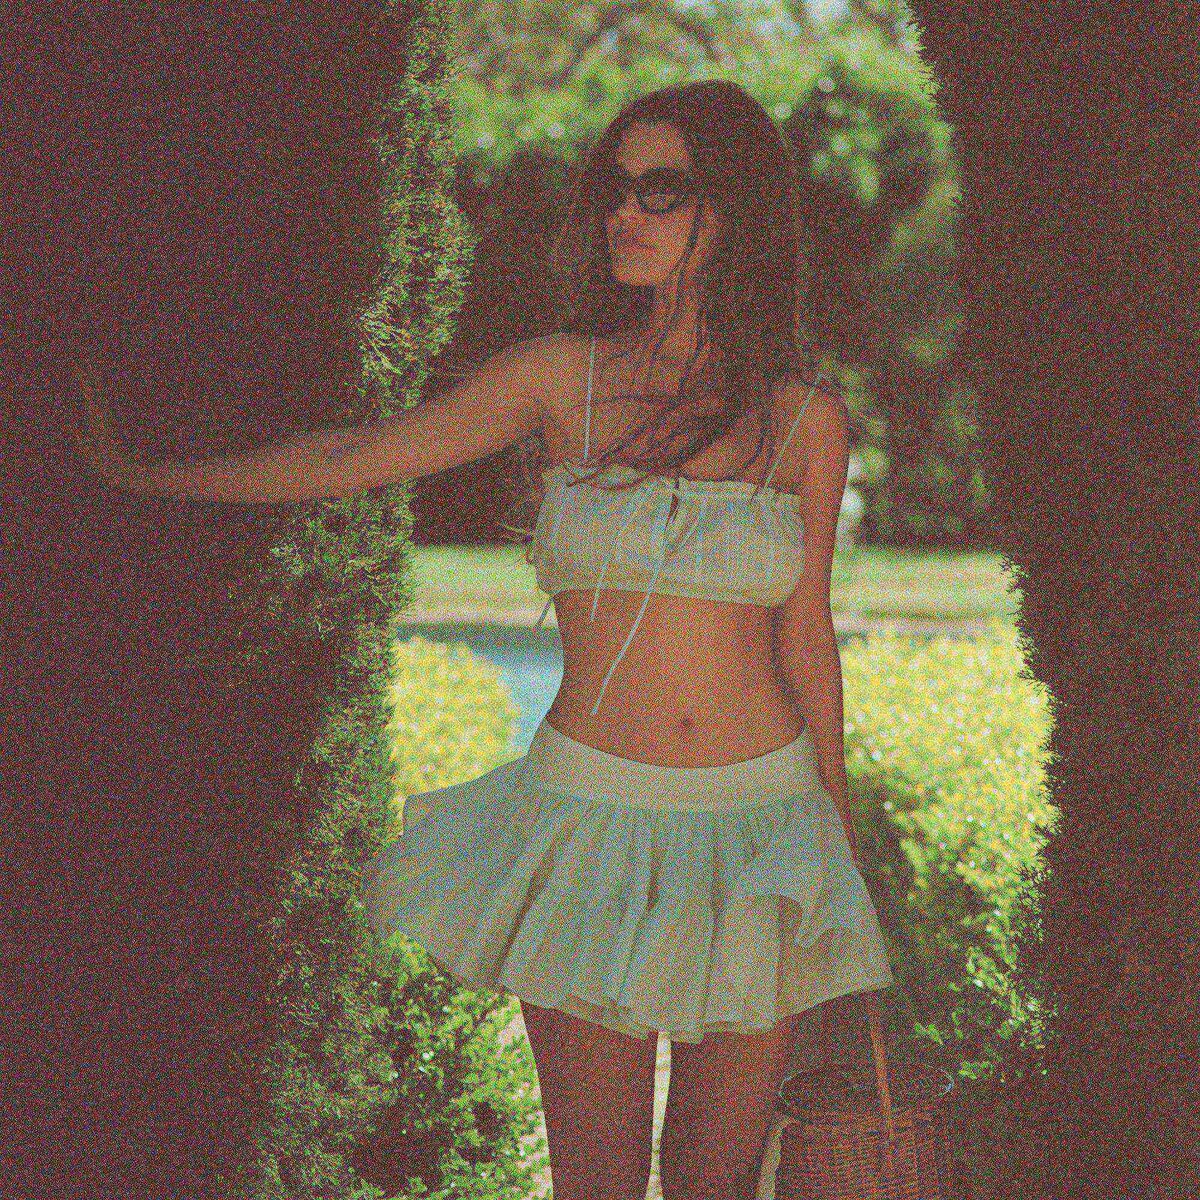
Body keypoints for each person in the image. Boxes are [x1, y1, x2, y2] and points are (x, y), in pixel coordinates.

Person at [69, 79, 895, 1200]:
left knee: (717, 1181)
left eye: (660, 190)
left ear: (735, 209)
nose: (624, 213)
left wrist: (834, 842)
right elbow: (348, 457)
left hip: (762, 830)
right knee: (595, 1185)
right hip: (587, 820)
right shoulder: (558, 377)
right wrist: (149, 476)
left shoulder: (804, 419)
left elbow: (806, 635)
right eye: (616, 188)